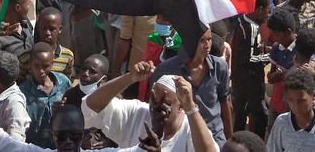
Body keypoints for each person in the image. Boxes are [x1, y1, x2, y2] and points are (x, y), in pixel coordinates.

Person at [82, 60, 220, 152]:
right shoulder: (137, 112)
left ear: (181, 108)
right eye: (153, 99)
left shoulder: (191, 129)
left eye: (166, 102)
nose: (157, 106)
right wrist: (130, 78)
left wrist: (191, 106)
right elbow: (90, 107)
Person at [149, 28, 231, 146]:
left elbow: (224, 103)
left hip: (215, 136)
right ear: (189, 42)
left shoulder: (220, 66)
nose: (207, 45)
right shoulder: (165, 70)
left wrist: (228, 140)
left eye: (209, 40)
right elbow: (154, 107)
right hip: (181, 139)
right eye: (202, 41)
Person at [230, 0, 271, 137]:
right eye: (267, 11)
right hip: (250, 82)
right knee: (260, 115)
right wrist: (269, 57)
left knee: (241, 115)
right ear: (259, 9)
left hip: (239, 81)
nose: (268, 15)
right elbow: (250, 58)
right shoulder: (252, 28)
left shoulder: (242, 20)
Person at [20, 42, 72, 148]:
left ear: (52, 64)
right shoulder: (23, 92)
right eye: (36, 66)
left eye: (45, 66)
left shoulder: (63, 82)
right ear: (30, 64)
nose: (41, 71)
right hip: (35, 147)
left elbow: (73, 109)